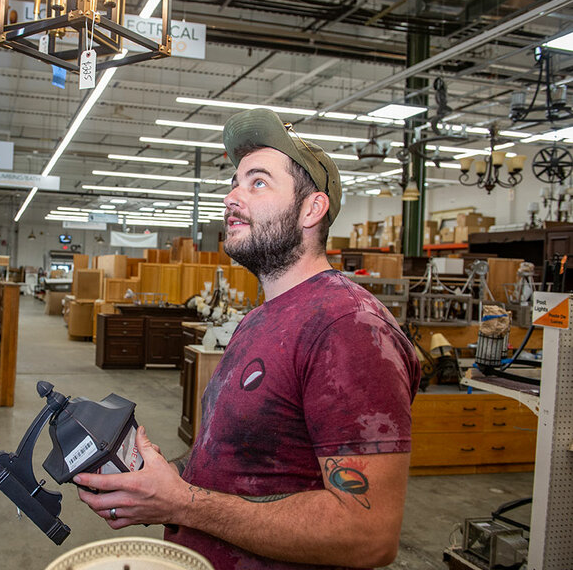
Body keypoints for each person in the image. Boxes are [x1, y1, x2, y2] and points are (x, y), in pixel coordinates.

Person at [75, 108, 422, 570]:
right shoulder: (260, 319)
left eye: (258, 182)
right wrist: (160, 480)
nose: (233, 197)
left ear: (311, 209)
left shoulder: (348, 326)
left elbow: (367, 533)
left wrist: (183, 504)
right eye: (235, 182)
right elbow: (238, 468)